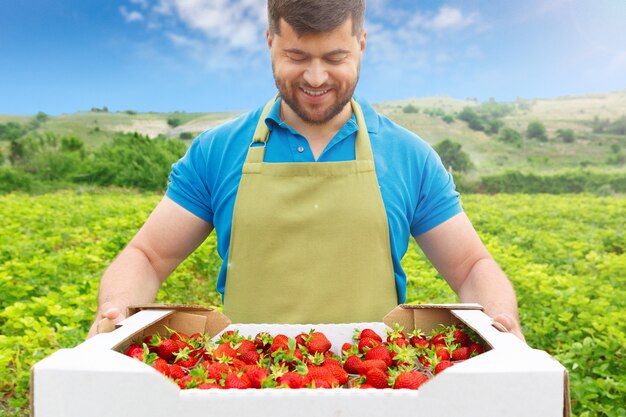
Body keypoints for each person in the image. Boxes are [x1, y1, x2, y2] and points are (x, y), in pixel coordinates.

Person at [88, 0, 524, 341]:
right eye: (297, 56)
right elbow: (148, 256)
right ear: (270, 42)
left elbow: (470, 267)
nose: (316, 78)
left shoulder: (409, 156)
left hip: (376, 395)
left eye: (335, 57)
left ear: (362, 45)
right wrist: (116, 308)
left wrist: (502, 323)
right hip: (247, 390)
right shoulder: (216, 152)